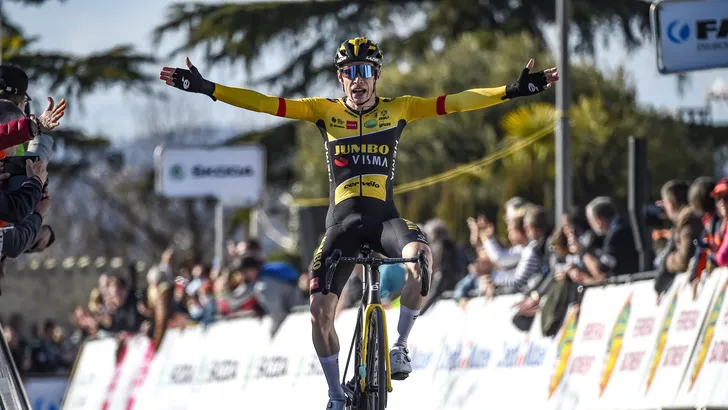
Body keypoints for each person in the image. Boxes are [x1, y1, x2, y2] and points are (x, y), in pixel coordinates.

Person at [160, 36, 559, 409]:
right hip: (343, 225)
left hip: (385, 221)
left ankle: (399, 346)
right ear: (341, 78)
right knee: (319, 313)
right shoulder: (323, 111)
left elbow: (456, 102)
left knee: (421, 257)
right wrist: (209, 88)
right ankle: (336, 395)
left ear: (376, 75)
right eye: (349, 72)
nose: (357, 80)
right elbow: (265, 103)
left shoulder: (400, 108)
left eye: (365, 71)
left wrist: (511, 90)